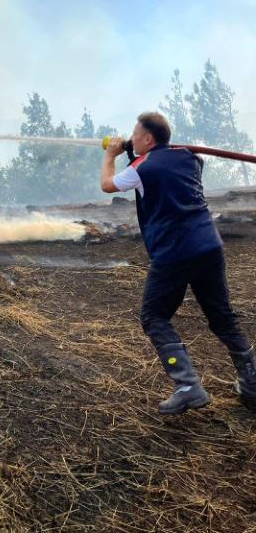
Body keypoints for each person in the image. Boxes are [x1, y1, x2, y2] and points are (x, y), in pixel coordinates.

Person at [100, 111, 256, 414]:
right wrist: (132, 151)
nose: (131, 138)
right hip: (208, 246)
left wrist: (110, 154)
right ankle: (252, 383)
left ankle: (188, 386)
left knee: (154, 317)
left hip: (173, 252)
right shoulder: (190, 159)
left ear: (147, 138)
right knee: (222, 317)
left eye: (135, 134)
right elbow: (161, 166)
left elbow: (107, 184)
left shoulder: (140, 168)